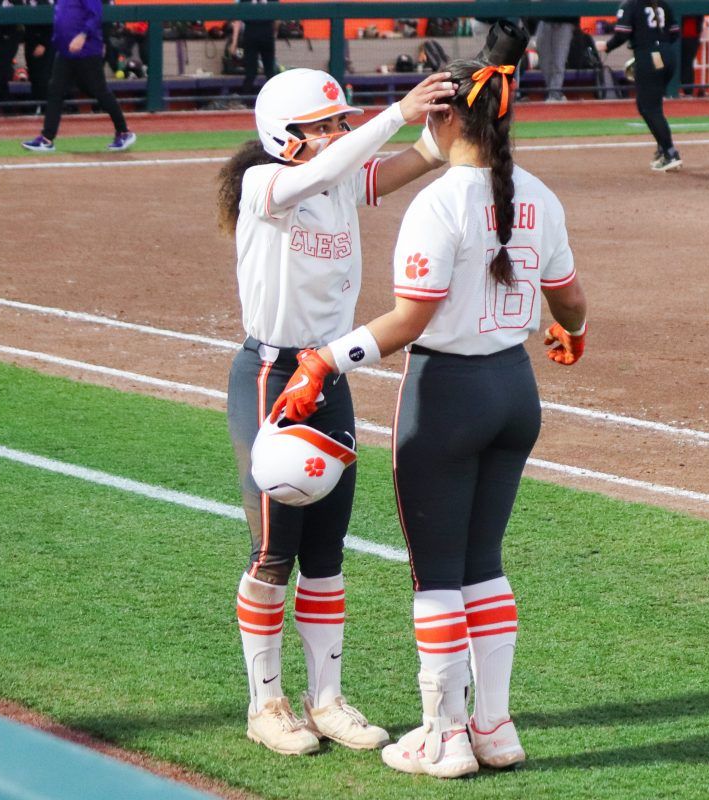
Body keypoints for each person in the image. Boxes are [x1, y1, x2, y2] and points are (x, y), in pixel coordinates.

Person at [269, 57, 587, 778]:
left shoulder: (439, 204)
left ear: (444, 118)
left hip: (448, 398)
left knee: (438, 576)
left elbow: (410, 319)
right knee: (485, 567)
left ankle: (443, 739)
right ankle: (495, 726)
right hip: (516, 393)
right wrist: (577, 328)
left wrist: (325, 360)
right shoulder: (538, 194)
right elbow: (567, 300)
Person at [214, 66, 456, 756]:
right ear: (282, 138)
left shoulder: (333, 172)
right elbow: (339, 169)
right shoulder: (268, 184)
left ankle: (326, 700)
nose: (336, 134)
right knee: (273, 551)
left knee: (326, 552)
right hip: (272, 371)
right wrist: (396, 113)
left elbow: (387, 171)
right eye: (320, 126)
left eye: (338, 123)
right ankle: (266, 705)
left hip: (329, 373)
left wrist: (443, 128)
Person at [21, 0, 135, 153]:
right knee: (55, 90)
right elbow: (61, 17)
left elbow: (95, 15)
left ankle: (124, 132)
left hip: (87, 50)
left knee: (99, 91)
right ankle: (47, 139)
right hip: (65, 51)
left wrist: (82, 35)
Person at [597, 0, 682, 171]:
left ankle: (670, 152)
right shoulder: (662, 4)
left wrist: (606, 46)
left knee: (650, 108)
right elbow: (674, 33)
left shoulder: (631, 5)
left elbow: (622, 33)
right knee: (648, 106)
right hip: (668, 55)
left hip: (650, 56)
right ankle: (663, 148)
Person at [229, 0, 277, 102]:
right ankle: (246, 101)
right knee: (251, 72)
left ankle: (273, 100)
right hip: (253, 36)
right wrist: (234, 42)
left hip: (264, 35)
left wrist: (274, 34)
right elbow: (238, 20)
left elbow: (277, 18)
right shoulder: (244, 1)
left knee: (269, 72)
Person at [534, 13, 578, 102]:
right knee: (544, 61)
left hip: (565, 21)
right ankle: (554, 92)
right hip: (544, 19)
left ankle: (555, 94)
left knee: (559, 61)